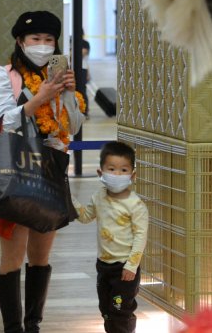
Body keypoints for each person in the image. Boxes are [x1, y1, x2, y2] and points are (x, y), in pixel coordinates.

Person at [0, 10, 85, 333]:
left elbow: (75, 126)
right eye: (35, 39)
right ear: (20, 41)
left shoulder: (60, 78)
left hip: (51, 168)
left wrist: (68, 93)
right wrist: (38, 99)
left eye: (48, 40)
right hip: (13, 167)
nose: (42, 45)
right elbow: (3, 120)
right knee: (12, 255)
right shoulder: (3, 75)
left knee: (41, 255)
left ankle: (33, 324)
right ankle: (13, 327)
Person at [71, 142, 149, 333]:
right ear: (100, 173)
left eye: (123, 170)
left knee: (121, 311)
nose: (117, 174)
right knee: (106, 309)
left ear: (132, 174)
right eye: (111, 169)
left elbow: (141, 237)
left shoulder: (136, 205)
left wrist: (132, 265)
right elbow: (84, 216)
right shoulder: (99, 197)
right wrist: (68, 197)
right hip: (103, 266)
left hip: (125, 268)